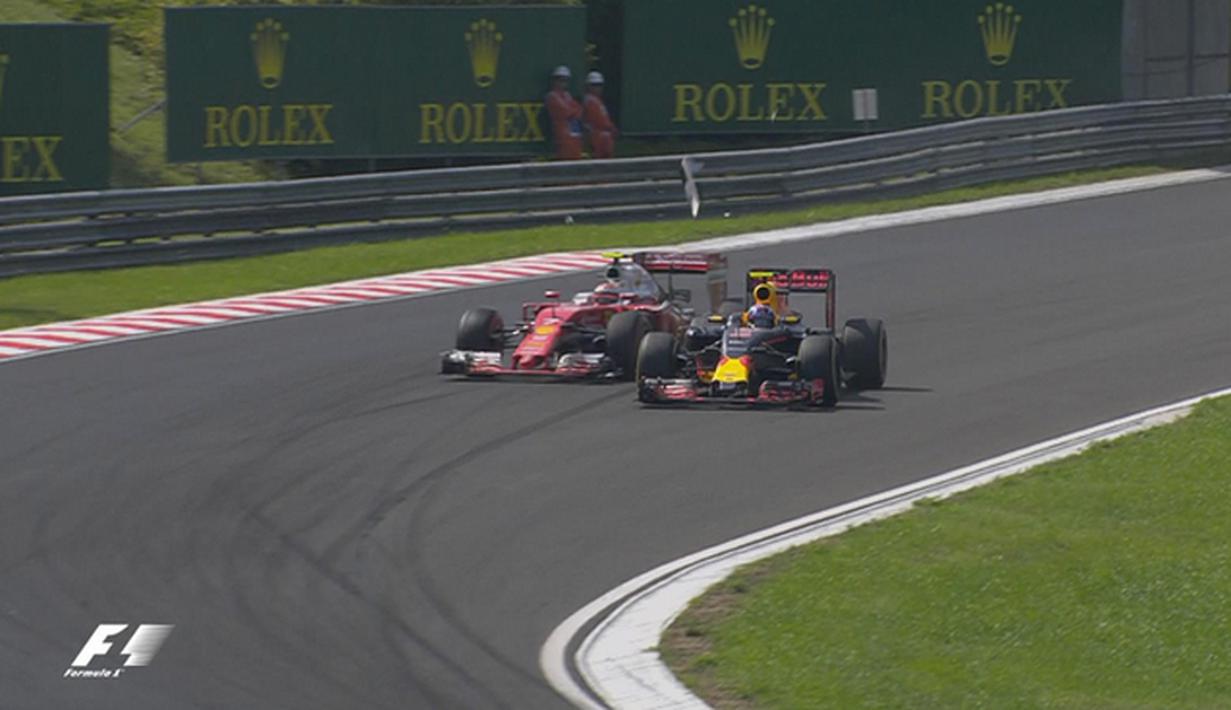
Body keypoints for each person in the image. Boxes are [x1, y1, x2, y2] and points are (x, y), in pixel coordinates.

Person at [545, 66, 583, 160]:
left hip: (574, 134)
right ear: (554, 80)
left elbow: (579, 110)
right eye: (560, 80)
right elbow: (565, 112)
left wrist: (573, 112)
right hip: (562, 133)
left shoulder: (567, 95)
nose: (563, 83)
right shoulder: (552, 96)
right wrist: (573, 111)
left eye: (565, 80)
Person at [583, 71, 618, 159]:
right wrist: (610, 127)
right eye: (594, 85)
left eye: (599, 85)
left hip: (604, 137)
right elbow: (598, 120)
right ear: (588, 86)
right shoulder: (590, 101)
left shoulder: (597, 101)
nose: (597, 88)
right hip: (596, 136)